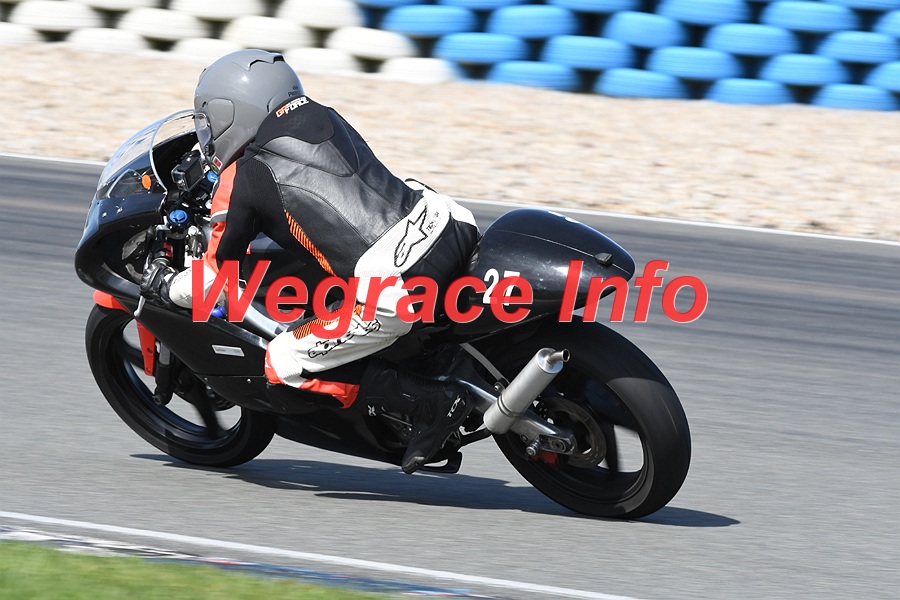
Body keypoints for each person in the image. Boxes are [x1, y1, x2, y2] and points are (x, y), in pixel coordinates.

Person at [141, 49, 480, 474]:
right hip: (448, 221)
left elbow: (216, 282)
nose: (207, 131)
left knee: (282, 362)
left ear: (231, 113)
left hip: (398, 287)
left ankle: (431, 402)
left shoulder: (245, 177)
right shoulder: (326, 116)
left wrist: (166, 283)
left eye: (209, 120)